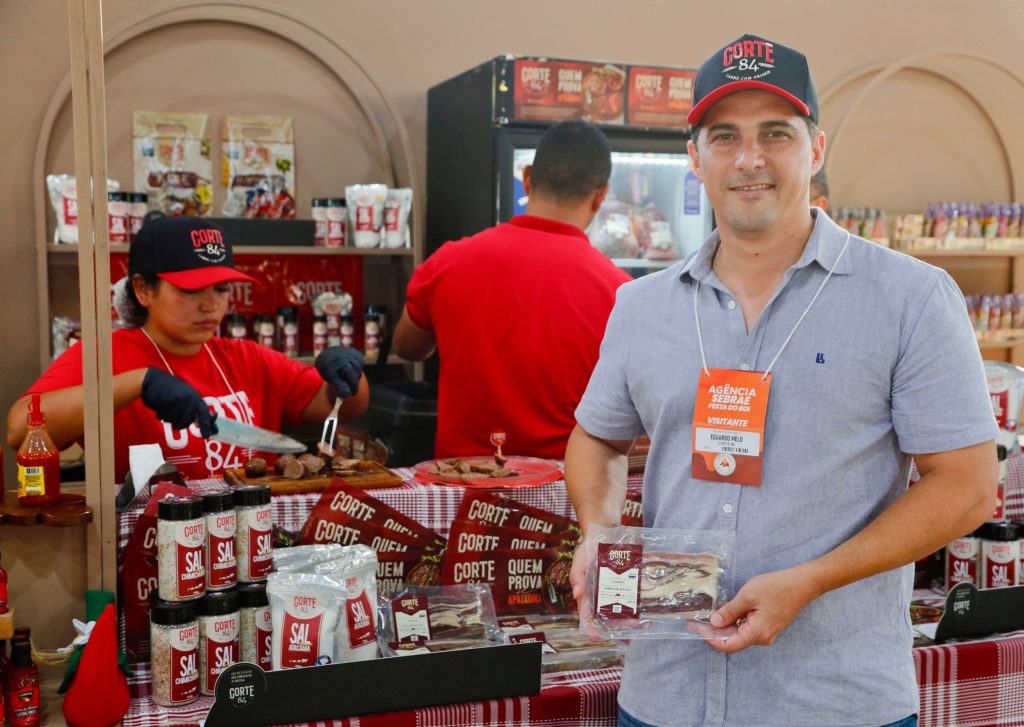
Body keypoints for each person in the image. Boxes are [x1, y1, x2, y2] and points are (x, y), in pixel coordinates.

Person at [566, 34, 996, 727]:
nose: (750, 159)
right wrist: (597, 530)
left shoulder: (910, 296)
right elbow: (597, 441)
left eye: (776, 133)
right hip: (666, 695)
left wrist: (811, 581)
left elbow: (970, 486)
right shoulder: (640, 306)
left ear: (816, 149)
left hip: (836, 698)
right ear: (695, 159)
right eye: (725, 136)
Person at [7, 215, 369, 481]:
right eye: (191, 291)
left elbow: (342, 405)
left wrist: (347, 371)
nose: (211, 305)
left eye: (221, 289)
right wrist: (138, 383)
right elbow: (19, 430)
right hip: (151, 554)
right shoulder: (108, 355)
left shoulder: (246, 358)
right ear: (144, 289)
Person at [392, 120, 631, 459]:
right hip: (564, 492)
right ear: (601, 196)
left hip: (462, 488)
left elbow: (407, 346)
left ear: (528, 178)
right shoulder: (621, 292)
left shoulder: (448, 262)